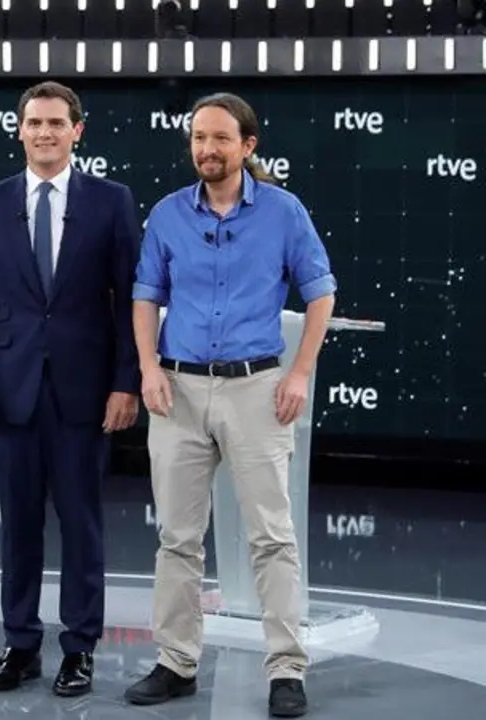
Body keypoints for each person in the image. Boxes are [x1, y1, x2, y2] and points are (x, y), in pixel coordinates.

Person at [124, 92, 335, 718]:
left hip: (255, 389)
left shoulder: (283, 212)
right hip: (179, 390)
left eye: (220, 139)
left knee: (272, 536)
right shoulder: (167, 215)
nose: (207, 150)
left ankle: (286, 670)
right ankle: (176, 662)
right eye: (198, 138)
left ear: (248, 145)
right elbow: (145, 296)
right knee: (177, 538)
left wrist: (300, 372)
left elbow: (320, 293)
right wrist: (146, 367)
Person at [0, 81, 141, 696]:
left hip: (85, 394)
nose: (44, 133)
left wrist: (125, 383)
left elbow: (130, 305)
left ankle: (80, 647)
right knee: (19, 527)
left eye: (56, 123)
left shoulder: (112, 202)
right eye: (34, 122)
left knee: (82, 524)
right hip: (11, 389)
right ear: (19, 130)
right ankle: (20, 643)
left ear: (77, 130)